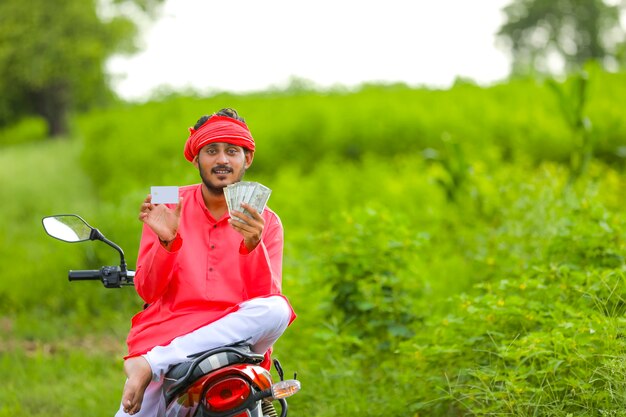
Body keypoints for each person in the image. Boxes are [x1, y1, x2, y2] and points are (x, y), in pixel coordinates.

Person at [115, 108, 296, 416]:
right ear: (196, 159)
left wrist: (253, 245)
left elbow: (263, 301)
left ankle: (152, 363)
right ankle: (155, 363)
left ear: (246, 159)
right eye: (211, 151)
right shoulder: (167, 202)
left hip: (234, 332)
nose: (222, 160)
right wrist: (167, 242)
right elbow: (147, 292)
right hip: (170, 327)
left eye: (232, 151)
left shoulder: (265, 219)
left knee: (277, 308)